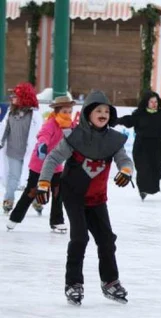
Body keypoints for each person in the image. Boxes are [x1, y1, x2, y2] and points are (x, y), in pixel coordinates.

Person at [36, 91, 134, 306]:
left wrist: (126, 170)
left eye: (106, 111)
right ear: (88, 113)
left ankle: (110, 282)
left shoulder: (113, 140)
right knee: (79, 238)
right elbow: (53, 158)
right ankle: (73, 284)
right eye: (98, 110)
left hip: (97, 199)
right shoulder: (73, 137)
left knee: (107, 240)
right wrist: (43, 182)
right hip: (73, 195)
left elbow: (124, 159)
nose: (103, 114)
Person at [7, 96, 77, 232]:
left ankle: (57, 221)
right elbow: (43, 135)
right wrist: (42, 145)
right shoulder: (51, 123)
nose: (68, 114)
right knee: (31, 191)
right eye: (65, 111)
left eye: (70, 111)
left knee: (58, 192)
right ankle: (15, 218)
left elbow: (78, 137)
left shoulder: (71, 125)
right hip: (40, 163)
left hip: (56, 164)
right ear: (57, 111)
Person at [114, 91, 161, 200]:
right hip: (141, 145)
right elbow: (129, 120)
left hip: (158, 145)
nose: (154, 104)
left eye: (156, 102)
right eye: (151, 102)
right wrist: (117, 120)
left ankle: (153, 184)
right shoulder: (139, 114)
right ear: (146, 103)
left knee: (157, 168)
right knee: (142, 168)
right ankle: (143, 190)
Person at [0, 83, 42, 214]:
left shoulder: (34, 115)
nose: (12, 97)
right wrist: (1, 141)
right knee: (13, 176)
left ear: (24, 97)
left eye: (15, 95)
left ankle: (36, 201)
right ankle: (8, 199)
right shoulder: (11, 112)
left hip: (30, 153)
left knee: (33, 178)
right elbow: (5, 128)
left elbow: (40, 132)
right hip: (13, 150)